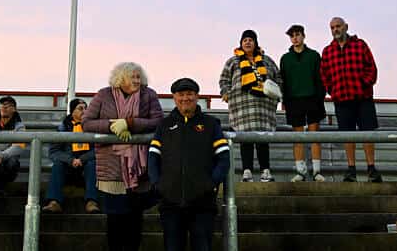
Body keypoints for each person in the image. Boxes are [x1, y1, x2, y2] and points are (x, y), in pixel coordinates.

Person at [83, 62, 163, 251]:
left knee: (135, 218)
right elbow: (87, 122)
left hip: (140, 167)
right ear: (120, 78)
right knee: (115, 218)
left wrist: (130, 123)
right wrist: (111, 125)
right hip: (112, 166)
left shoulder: (148, 94)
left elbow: (158, 121)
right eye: (132, 77)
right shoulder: (104, 94)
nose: (137, 80)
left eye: (138, 77)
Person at [149, 77, 230, 251]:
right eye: (181, 94)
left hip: (202, 204)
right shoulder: (164, 125)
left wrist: (209, 184)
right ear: (174, 98)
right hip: (170, 203)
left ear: (197, 96)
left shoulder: (211, 124)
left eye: (190, 94)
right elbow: (153, 158)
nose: (185, 98)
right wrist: (158, 184)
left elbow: (223, 159)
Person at [320, 17, 383, 182]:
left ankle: (371, 168)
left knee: (367, 133)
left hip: (363, 98)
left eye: (338, 26)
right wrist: (332, 90)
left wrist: (365, 84)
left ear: (346, 27)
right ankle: (351, 169)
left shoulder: (360, 45)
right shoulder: (328, 51)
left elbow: (372, 68)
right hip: (342, 99)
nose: (335, 30)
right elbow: (324, 74)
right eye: (332, 27)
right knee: (347, 135)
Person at [219, 29, 281, 182]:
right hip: (242, 107)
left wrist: (278, 95)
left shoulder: (267, 61)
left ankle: (265, 171)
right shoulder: (233, 61)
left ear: (255, 43)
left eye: (251, 40)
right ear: (241, 43)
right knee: (245, 138)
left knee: (262, 138)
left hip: (263, 107)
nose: (247, 42)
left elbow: (278, 79)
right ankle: (247, 171)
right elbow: (224, 79)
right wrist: (225, 93)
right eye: (245, 40)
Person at [279, 24, 326, 182]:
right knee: (297, 136)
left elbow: (320, 79)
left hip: (312, 98)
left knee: (314, 135)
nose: (295, 38)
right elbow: (283, 81)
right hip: (294, 100)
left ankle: (317, 171)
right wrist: (284, 100)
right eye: (292, 36)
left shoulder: (314, 55)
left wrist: (319, 97)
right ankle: (301, 171)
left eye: (297, 35)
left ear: (303, 36)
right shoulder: (285, 58)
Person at [42, 98, 100, 213]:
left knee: (93, 164)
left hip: (86, 165)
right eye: (80, 108)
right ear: (72, 111)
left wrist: (82, 159)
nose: (84, 111)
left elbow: (98, 149)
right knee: (57, 165)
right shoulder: (62, 128)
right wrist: (71, 160)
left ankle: (92, 202)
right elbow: (54, 152)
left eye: (85, 109)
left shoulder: (93, 127)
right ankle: (54, 202)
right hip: (68, 166)